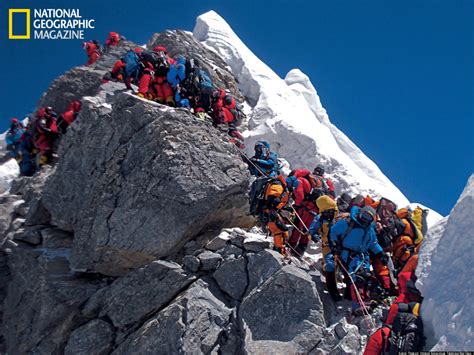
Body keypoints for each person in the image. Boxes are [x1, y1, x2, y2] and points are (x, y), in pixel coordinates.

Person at [327, 206, 386, 299]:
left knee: (357, 276)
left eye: (368, 218)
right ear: (359, 213)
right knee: (330, 265)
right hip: (342, 251)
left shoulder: (369, 230)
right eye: (364, 216)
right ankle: (332, 291)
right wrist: (333, 244)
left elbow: (373, 243)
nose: (364, 220)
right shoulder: (347, 223)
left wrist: (381, 253)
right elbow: (333, 232)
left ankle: (351, 295)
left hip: (358, 256)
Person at [309, 195, 341, 300]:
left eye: (331, 210)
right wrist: (314, 236)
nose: (329, 213)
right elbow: (311, 230)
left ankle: (350, 292)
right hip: (327, 245)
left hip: (341, 246)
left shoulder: (340, 217)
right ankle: (333, 291)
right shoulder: (319, 219)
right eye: (326, 211)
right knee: (330, 264)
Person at [259, 175, 291, 254]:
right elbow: (270, 202)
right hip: (270, 213)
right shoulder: (278, 187)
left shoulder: (278, 186)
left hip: (271, 212)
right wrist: (273, 213)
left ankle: (280, 249)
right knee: (278, 231)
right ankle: (279, 251)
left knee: (282, 231)